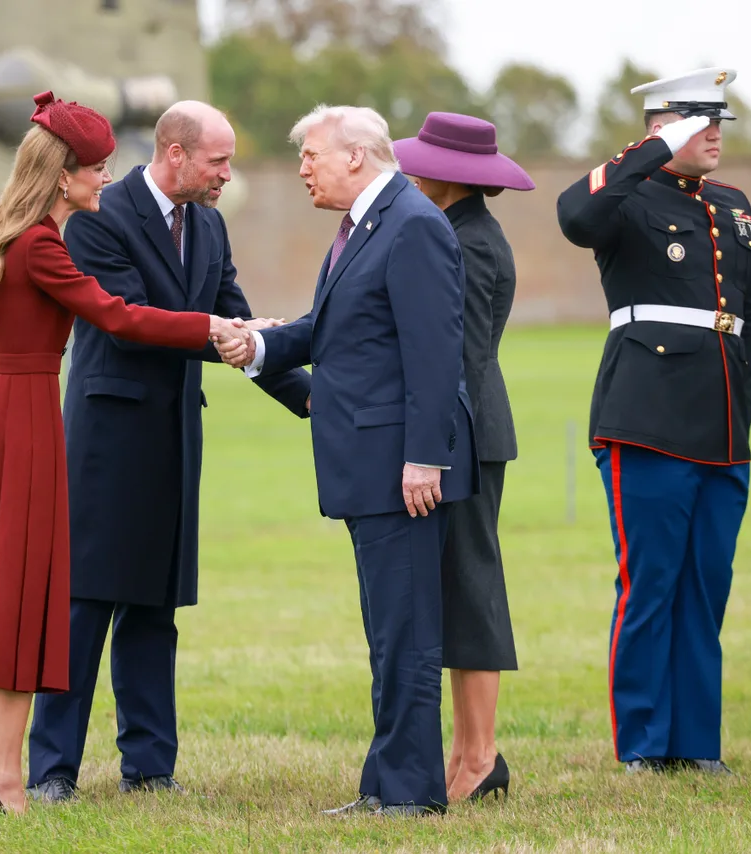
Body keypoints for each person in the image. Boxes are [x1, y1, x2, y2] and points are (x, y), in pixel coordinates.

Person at [0, 91, 238, 813]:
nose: (105, 178)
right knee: (34, 595)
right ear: (64, 175)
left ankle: (3, 773)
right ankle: (13, 772)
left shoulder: (10, 233)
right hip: (30, 418)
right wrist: (212, 328)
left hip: (4, 411)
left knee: (15, 596)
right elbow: (114, 315)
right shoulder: (42, 244)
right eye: (96, 168)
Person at [25, 102, 312, 802]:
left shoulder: (209, 225)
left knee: (155, 607)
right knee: (84, 605)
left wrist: (312, 400)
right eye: (218, 161)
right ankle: (51, 770)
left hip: (176, 437)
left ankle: (150, 769)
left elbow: (238, 329)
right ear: (176, 154)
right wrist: (221, 327)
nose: (226, 175)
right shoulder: (99, 218)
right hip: (106, 439)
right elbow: (125, 324)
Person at [218, 104, 478, 816]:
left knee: (407, 636)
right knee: (389, 634)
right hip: (368, 466)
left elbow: (434, 353)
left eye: (312, 155)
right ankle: (388, 784)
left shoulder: (413, 224)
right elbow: (333, 331)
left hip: (401, 470)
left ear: (357, 156)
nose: (301, 167)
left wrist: (424, 458)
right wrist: (259, 348)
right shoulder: (367, 224)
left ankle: (408, 794)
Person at [556, 68, 751, 774]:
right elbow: (574, 218)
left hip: (720, 423)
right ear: (658, 128)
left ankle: (696, 746)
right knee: (650, 585)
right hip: (646, 415)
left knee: (706, 585)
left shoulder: (734, 204)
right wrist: (647, 150)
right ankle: (644, 744)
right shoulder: (626, 197)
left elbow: (748, 318)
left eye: (718, 121)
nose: (713, 133)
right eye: (696, 121)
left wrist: (744, 405)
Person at [392, 112, 533, 802]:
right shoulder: (454, 229)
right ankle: (466, 752)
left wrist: (437, 448)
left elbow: (458, 357)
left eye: (422, 162)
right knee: (456, 588)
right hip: (460, 434)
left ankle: (481, 757)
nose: (411, 170)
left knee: (473, 590)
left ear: (451, 176)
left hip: (467, 437)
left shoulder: (471, 242)